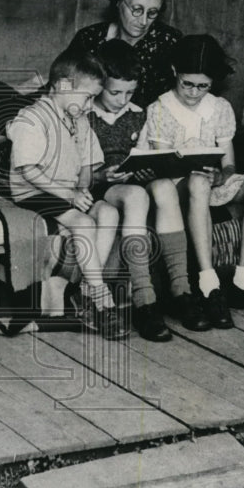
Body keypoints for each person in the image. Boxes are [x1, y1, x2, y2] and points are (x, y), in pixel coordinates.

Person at [140, 34, 244, 331]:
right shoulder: (160, 109)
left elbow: (230, 162)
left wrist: (223, 174)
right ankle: (209, 286)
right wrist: (197, 174)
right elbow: (163, 165)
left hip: (211, 182)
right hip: (179, 185)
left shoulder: (220, 108)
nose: (194, 92)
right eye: (187, 84)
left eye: (203, 86)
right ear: (174, 71)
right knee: (197, 183)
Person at [7, 49, 127, 340]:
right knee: (84, 223)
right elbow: (28, 171)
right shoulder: (33, 117)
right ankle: (101, 300)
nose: (89, 105)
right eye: (86, 97)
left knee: (109, 212)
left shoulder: (80, 120)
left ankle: (85, 289)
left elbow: (86, 168)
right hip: (33, 191)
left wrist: (84, 186)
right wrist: (69, 194)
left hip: (67, 192)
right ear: (62, 87)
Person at [85, 40, 171, 342]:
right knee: (136, 196)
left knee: (139, 193)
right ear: (98, 85)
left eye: (130, 92)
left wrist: (146, 168)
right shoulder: (84, 115)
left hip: (128, 185)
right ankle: (144, 299)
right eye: (115, 92)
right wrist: (99, 174)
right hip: (94, 189)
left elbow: (144, 153)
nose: (123, 100)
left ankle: (144, 300)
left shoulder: (139, 114)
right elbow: (71, 169)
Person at [66, 0, 181, 108]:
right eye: (137, 9)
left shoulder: (170, 41)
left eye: (152, 12)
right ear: (118, 1)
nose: (144, 21)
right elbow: (63, 83)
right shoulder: (89, 38)